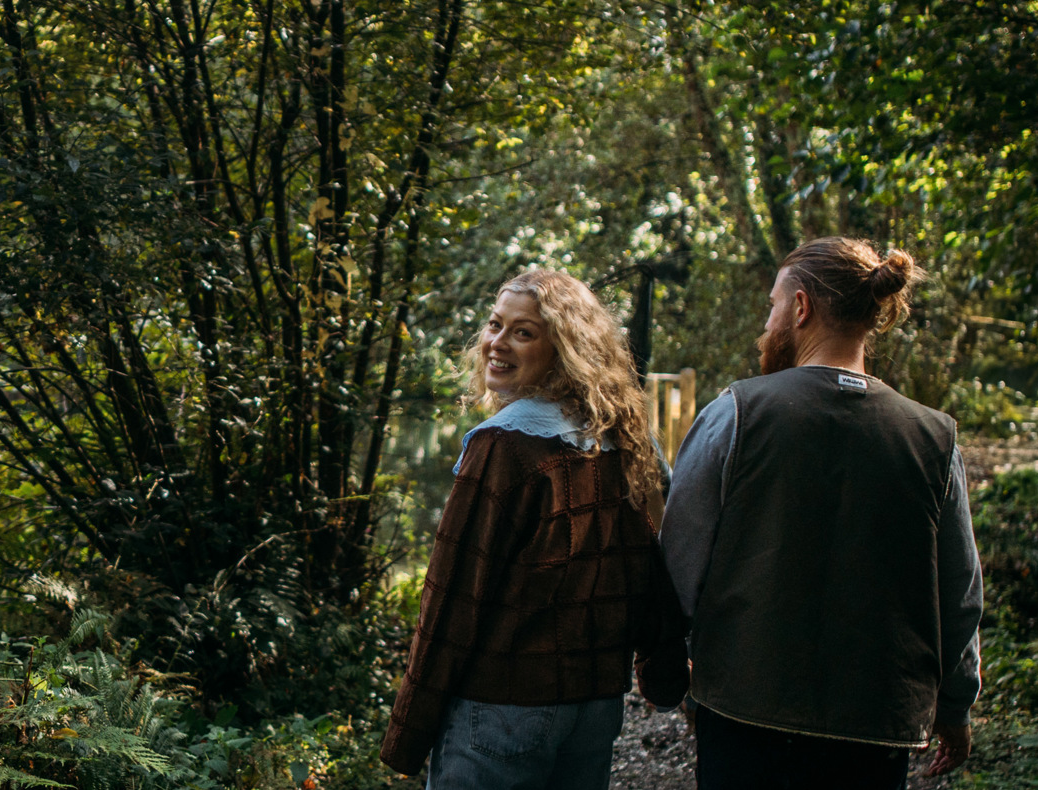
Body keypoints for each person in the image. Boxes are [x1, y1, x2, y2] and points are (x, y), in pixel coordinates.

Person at [659, 238, 984, 789]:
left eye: (772, 306)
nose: (768, 323)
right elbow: (959, 592)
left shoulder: (737, 412)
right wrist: (955, 706)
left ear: (801, 307)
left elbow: (679, 560)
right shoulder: (934, 438)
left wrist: (667, 664)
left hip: (745, 711)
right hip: (875, 726)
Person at [381, 268, 691, 789]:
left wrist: (407, 736)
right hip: (592, 712)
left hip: (504, 711)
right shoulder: (614, 437)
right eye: (494, 325)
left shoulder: (503, 447)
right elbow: (646, 566)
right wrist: (663, 665)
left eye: (522, 332)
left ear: (565, 349)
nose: (496, 344)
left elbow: (451, 601)